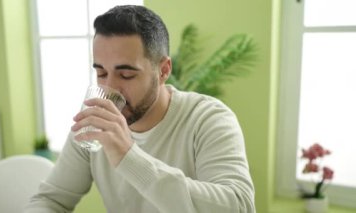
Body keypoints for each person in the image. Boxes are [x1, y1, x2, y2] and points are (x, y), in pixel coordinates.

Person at [25, 5, 255, 213]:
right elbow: (50, 200)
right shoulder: (95, 121)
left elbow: (240, 206)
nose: (109, 88)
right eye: (101, 73)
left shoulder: (208, 119)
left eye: (126, 74)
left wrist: (128, 157)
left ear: (163, 71)